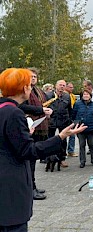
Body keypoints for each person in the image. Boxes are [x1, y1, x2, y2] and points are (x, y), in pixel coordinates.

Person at [0, 68, 86, 232]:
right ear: (23, 88)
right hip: (11, 189)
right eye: (29, 85)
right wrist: (60, 137)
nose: (31, 88)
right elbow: (28, 151)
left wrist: (23, 134)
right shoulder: (14, 113)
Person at [18, 68, 53, 200]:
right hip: (29, 125)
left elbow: (41, 104)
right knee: (30, 160)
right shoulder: (23, 91)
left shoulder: (37, 91)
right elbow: (22, 107)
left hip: (38, 125)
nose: (33, 78)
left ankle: (33, 186)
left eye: (35, 76)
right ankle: (30, 189)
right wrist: (41, 109)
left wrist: (47, 111)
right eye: (30, 76)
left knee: (33, 161)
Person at [46, 80, 73, 168]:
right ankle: (48, 158)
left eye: (63, 85)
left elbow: (69, 109)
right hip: (51, 120)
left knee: (63, 140)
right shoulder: (48, 95)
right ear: (55, 85)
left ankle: (62, 158)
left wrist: (69, 120)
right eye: (60, 85)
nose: (62, 87)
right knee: (50, 140)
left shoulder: (67, 96)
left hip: (63, 120)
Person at [71, 89, 93, 168]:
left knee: (92, 145)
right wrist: (76, 124)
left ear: (90, 96)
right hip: (80, 128)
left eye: (87, 94)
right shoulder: (77, 104)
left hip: (92, 128)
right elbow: (73, 115)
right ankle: (82, 161)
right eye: (84, 94)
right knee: (82, 145)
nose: (86, 96)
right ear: (82, 96)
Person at [65, 82, 78, 157]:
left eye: (72, 87)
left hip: (72, 117)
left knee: (72, 134)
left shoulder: (73, 96)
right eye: (70, 87)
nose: (72, 89)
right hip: (66, 117)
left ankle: (71, 150)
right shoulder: (64, 95)